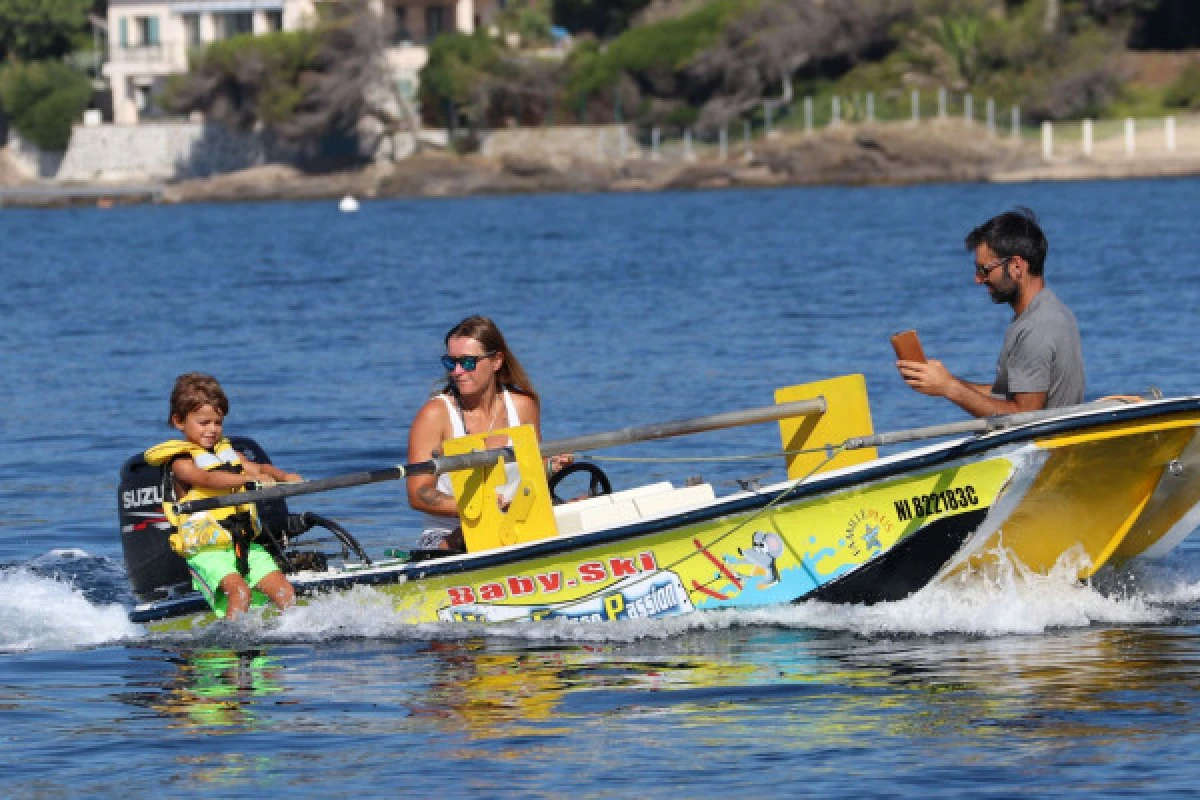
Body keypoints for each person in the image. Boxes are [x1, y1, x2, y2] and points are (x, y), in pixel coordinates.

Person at [897, 207, 1085, 418]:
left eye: (984, 270)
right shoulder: (1052, 311)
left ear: (1016, 266)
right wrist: (944, 382)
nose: (978, 279)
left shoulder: (1036, 328)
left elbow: (1023, 416)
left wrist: (951, 389)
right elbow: (1009, 396)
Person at [406, 315, 569, 553]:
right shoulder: (435, 414)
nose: (457, 372)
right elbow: (419, 494)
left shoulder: (524, 406)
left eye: (468, 362)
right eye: (451, 363)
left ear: (497, 361)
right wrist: (480, 508)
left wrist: (550, 468)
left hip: (519, 522)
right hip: (448, 535)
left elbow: (534, 476)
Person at [145, 373, 301, 619]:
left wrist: (283, 476)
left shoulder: (229, 454)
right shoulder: (181, 462)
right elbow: (206, 479)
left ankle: (294, 635)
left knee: (285, 592)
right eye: (203, 423)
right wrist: (247, 480)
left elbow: (258, 468)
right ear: (179, 421)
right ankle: (232, 644)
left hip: (244, 546)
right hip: (208, 552)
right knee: (240, 593)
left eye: (217, 423)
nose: (212, 430)